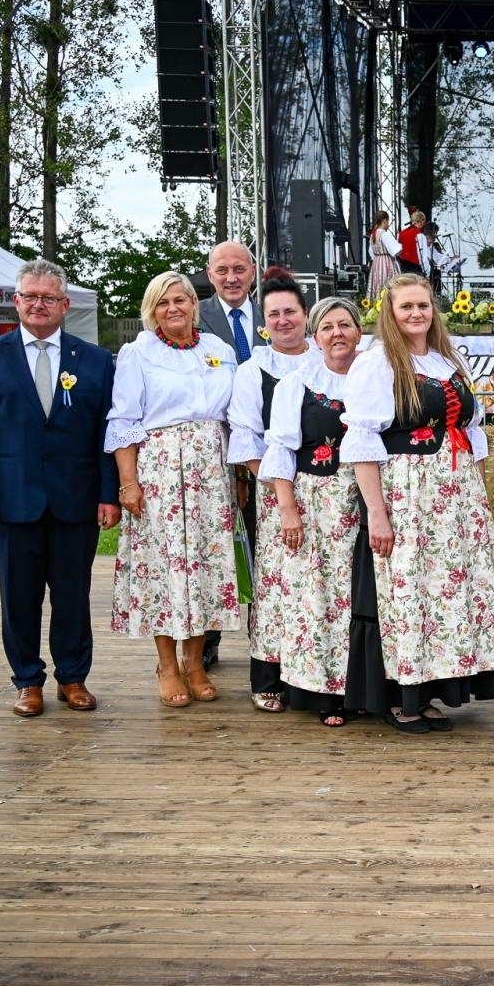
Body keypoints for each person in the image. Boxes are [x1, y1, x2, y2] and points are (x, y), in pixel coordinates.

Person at [341, 273, 494, 732]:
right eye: (406, 307)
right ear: (390, 315)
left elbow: (471, 431)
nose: (417, 314)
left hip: (455, 496)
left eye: (423, 305)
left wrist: (478, 496)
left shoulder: (446, 360)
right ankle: (402, 697)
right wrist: (377, 511)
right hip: (409, 493)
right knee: (408, 593)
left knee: (449, 593)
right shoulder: (378, 364)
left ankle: (434, 688)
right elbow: (362, 441)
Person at [0, 259, 120, 717]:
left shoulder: (95, 360)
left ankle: (73, 676)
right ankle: (27, 680)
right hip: (11, 503)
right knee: (19, 599)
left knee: (73, 595)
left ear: (65, 304)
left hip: (76, 500)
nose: (39, 304)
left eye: (49, 297)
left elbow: (107, 434)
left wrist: (108, 493)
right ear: (16, 301)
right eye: (30, 296)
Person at [107, 271, 241, 708]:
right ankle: (167, 664)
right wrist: (128, 483)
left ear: (193, 304)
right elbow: (124, 421)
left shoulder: (218, 350)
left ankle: (196, 661)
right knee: (163, 570)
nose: (173, 309)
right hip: (159, 472)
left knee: (205, 566)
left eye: (180, 300)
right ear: (152, 310)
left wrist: (238, 476)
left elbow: (235, 418)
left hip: (211, 471)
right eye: (163, 302)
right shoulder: (137, 353)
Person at [258, 297, 365, 728]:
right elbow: (281, 450)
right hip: (316, 501)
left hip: (369, 499)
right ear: (315, 337)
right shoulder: (297, 385)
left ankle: (366, 686)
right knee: (321, 599)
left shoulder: (377, 378)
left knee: (364, 596)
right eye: (327, 327)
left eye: (345, 324)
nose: (337, 333)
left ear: (359, 330)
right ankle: (327, 693)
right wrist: (288, 510)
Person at [227, 268, 319, 712]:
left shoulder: (330, 358)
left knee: (327, 582)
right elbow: (245, 437)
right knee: (277, 582)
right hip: (274, 489)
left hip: (332, 490)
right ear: (263, 322)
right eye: (274, 314)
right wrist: (282, 486)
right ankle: (271, 675)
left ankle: (325, 673)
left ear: (305, 315)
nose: (283, 320)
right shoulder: (253, 369)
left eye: (291, 312)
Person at [197, 241, 267, 670]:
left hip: (266, 453)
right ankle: (207, 639)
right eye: (222, 270)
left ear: (254, 272)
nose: (231, 277)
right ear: (210, 274)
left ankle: (269, 641)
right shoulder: (194, 315)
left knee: (266, 547)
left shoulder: (273, 315)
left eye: (239, 268)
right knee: (215, 548)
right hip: (212, 453)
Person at [366, 210, 401, 302]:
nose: (388, 224)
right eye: (388, 221)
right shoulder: (384, 235)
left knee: (377, 284)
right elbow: (395, 250)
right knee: (389, 284)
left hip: (377, 263)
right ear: (384, 221)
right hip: (386, 262)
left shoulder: (372, 235)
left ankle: (376, 304)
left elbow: (371, 253)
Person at [396, 211, 429, 277]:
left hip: (404, 267)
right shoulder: (420, 235)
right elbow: (423, 257)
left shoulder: (401, 233)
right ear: (422, 221)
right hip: (415, 269)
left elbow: (398, 251)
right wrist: (427, 272)